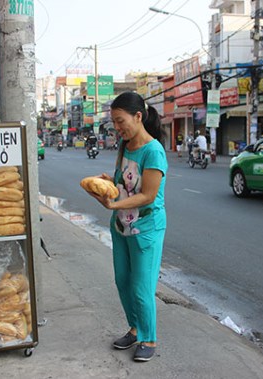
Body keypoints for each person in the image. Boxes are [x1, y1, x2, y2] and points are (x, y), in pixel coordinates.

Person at [85, 92, 167, 362]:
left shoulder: (153, 151)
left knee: (142, 287)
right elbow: (126, 182)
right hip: (121, 227)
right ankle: (135, 328)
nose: (117, 128)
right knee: (123, 282)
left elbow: (148, 195)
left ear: (138, 117)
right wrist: (110, 180)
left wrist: (113, 206)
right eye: (114, 123)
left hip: (146, 229)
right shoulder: (125, 146)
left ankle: (149, 338)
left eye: (121, 121)